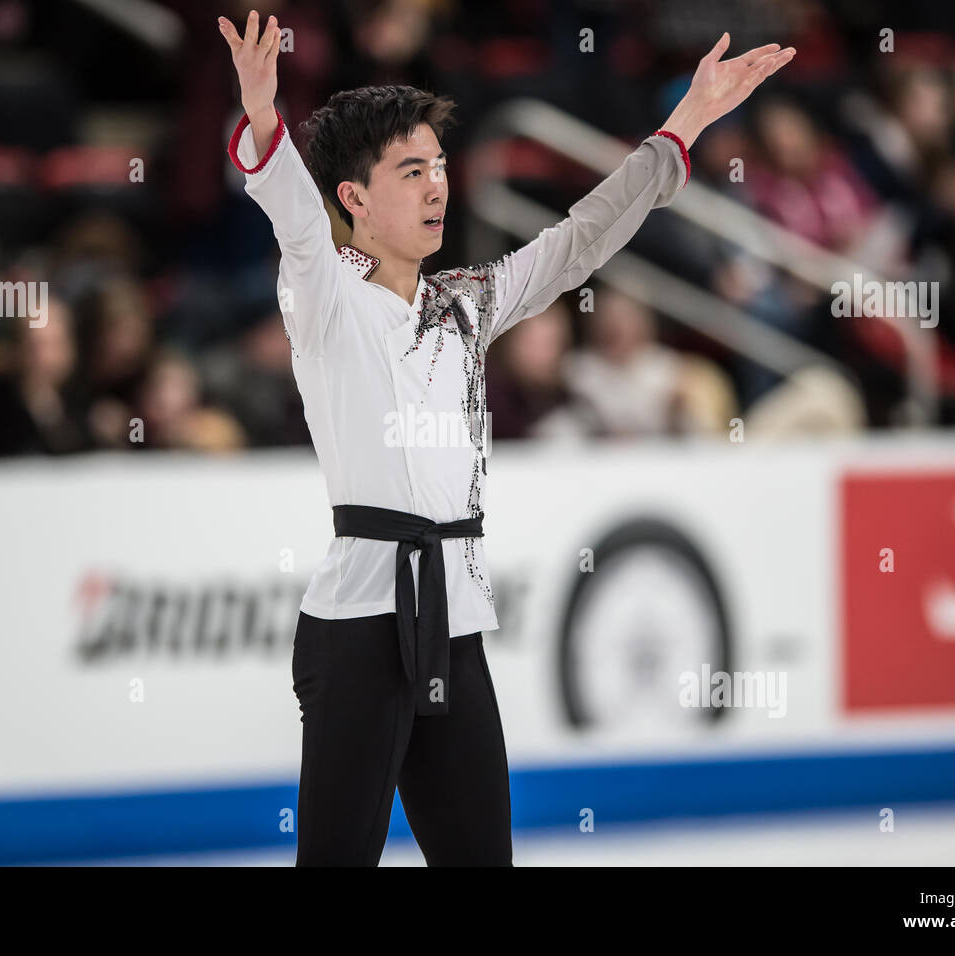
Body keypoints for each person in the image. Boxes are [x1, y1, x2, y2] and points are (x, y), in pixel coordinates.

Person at [217, 9, 794, 866]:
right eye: (411, 172)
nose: (437, 187)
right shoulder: (325, 296)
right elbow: (296, 220)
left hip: (452, 624)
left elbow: (575, 244)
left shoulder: (466, 301)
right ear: (355, 199)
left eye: (440, 167)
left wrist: (680, 131)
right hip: (359, 631)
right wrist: (264, 119)